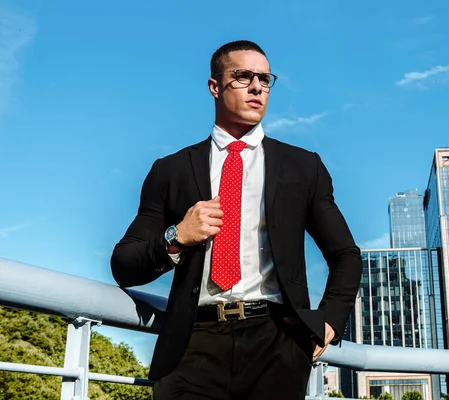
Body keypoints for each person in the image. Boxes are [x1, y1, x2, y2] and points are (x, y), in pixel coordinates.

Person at [111, 40, 362, 400]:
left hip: (277, 343)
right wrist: (177, 236)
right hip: (192, 343)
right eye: (243, 76)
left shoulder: (303, 167)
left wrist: (329, 322)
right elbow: (124, 264)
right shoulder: (171, 171)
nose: (257, 86)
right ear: (215, 86)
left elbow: (345, 254)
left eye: (264, 78)